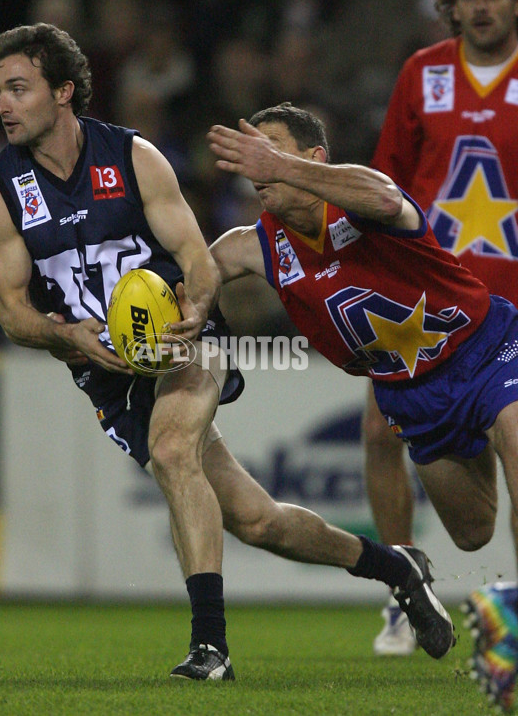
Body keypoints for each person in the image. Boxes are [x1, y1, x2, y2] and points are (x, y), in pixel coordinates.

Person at [0, 24, 456, 680]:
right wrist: (66, 335)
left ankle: (211, 647)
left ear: (63, 92)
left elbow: (198, 263)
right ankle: (394, 566)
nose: (2, 102)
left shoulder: (133, 156)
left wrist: (194, 312)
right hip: (108, 375)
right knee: (259, 521)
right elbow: (12, 314)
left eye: (17, 87)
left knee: (175, 449)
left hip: (184, 338)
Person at [207, 101, 518, 710]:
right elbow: (191, 274)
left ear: (315, 158)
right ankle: (417, 576)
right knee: (474, 531)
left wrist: (284, 166)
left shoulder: (357, 198)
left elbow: (383, 195)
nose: (258, 165)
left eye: (272, 149)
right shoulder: (254, 246)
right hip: (413, 393)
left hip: (487, 347)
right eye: (253, 155)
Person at [365, 0, 518, 675]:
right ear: (450, 8)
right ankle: (405, 593)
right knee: (377, 435)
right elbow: (382, 187)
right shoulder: (421, 74)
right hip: (421, 311)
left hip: (511, 310)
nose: (482, 7)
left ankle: (508, 619)